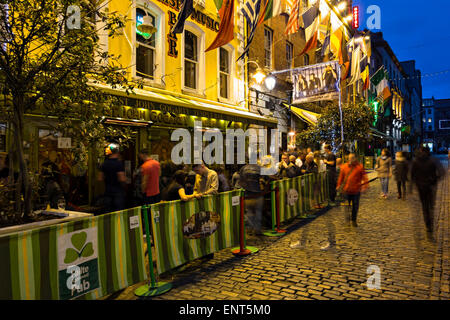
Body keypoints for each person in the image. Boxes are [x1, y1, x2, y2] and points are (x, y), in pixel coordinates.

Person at [411, 147, 445, 236]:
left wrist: (415, 184)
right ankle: (431, 223)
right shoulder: (433, 160)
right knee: (431, 205)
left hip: (421, 187)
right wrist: (435, 180)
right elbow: (442, 172)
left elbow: (412, 175)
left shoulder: (416, 161)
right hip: (431, 186)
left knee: (424, 206)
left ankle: (427, 224)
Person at [336, 153, 368, 226]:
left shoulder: (360, 167)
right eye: (350, 158)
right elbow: (341, 177)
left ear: (355, 158)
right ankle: (347, 220)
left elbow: (364, 177)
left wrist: (365, 186)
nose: (351, 160)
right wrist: (338, 185)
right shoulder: (344, 167)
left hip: (356, 190)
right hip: (346, 190)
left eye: (352, 158)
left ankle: (354, 220)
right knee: (346, 206)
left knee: (355, 206)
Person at [98, 143, 126, 212]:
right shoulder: (118, 164)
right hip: (118, 193)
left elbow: (100, 178)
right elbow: (121, 179)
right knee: (118, 213)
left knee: (108, 212)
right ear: (117, 152)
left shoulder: (104, 164)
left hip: (107, 192)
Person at [239, 162, 264, 236]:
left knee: (249, 213)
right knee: (258, 212)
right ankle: (257, 230)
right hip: (258, 194)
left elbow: (240, 181)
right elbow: (266, 178)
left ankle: (249, 229)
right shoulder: (259, 168)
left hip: (248, 195)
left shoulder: (243, 169)